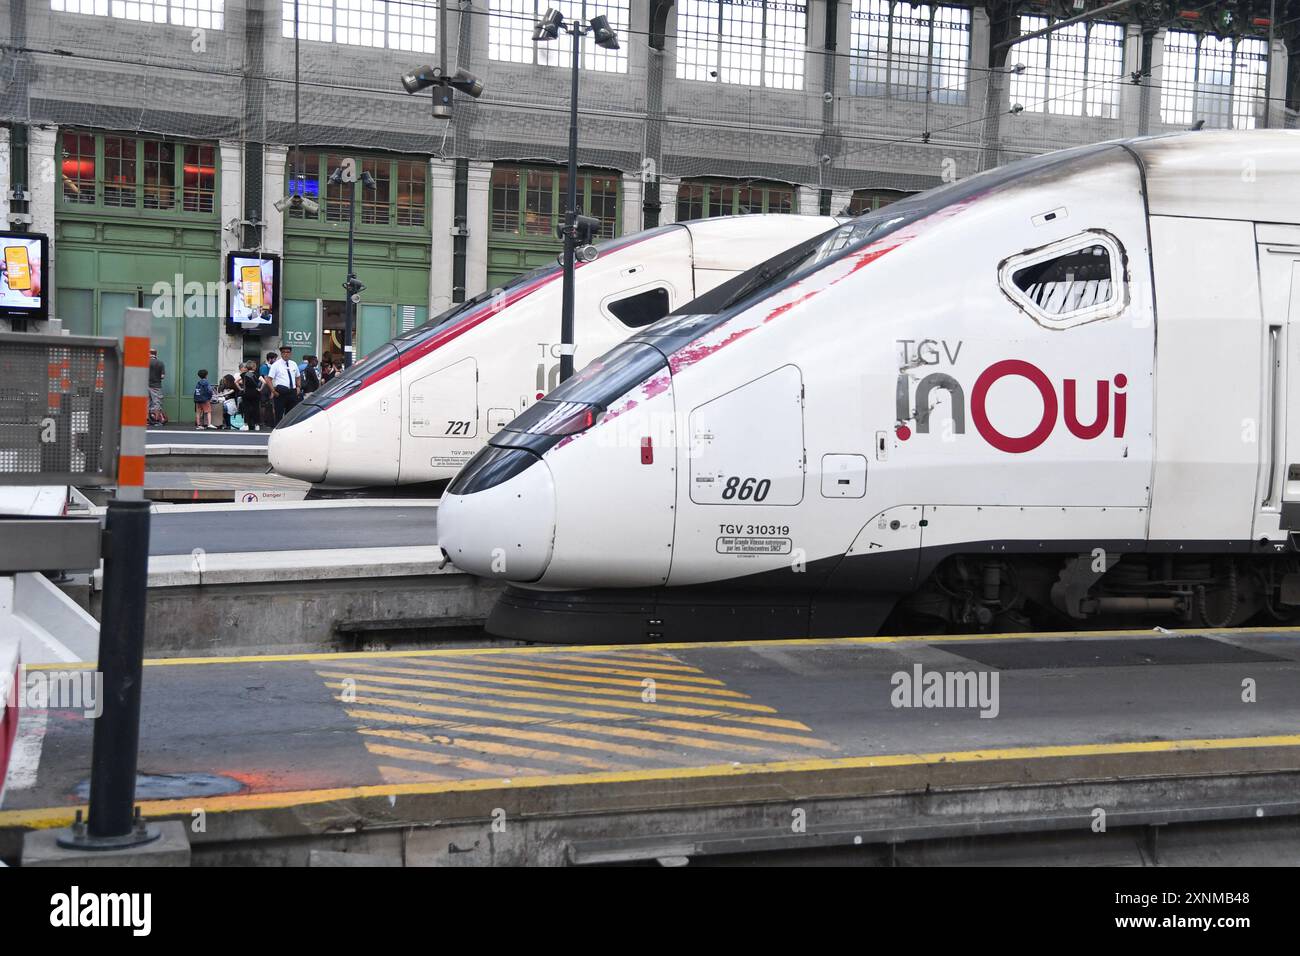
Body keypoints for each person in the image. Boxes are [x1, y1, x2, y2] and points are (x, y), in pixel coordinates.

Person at [268, 344, 301, 425]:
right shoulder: (276, 365)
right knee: (279, 414)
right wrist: (273, 391)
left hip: (292, 392)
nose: (286, 354)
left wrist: (298, 387)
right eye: (284, 352)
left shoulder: (293, 364)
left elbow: (298, 376)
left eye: (288, 352)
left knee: (290, 415)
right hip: (280, 392)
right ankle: (278, 431)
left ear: (290, 353)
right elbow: (269, 379)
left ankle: (288, 431)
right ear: (281, 354)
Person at [240, 360, 264, 431]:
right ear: (254, 367)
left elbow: (236, 382)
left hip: (246, 393)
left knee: (246, 409)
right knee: (256, 409)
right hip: (256, 393)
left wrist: (241, 389)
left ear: (247, 367)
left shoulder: (243, 374)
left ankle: (246, 425)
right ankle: (257, 425)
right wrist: (260, 389)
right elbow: (264, 382)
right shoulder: (257, 374)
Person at [147, 348, 166, 426]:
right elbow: (162, 376)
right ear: (156, 354)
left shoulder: (145, 362)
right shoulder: (160, 363)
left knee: (146, 403)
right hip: (156, 386)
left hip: (146, 385)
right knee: (157, 403)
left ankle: (146, 420)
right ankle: (156, 420)